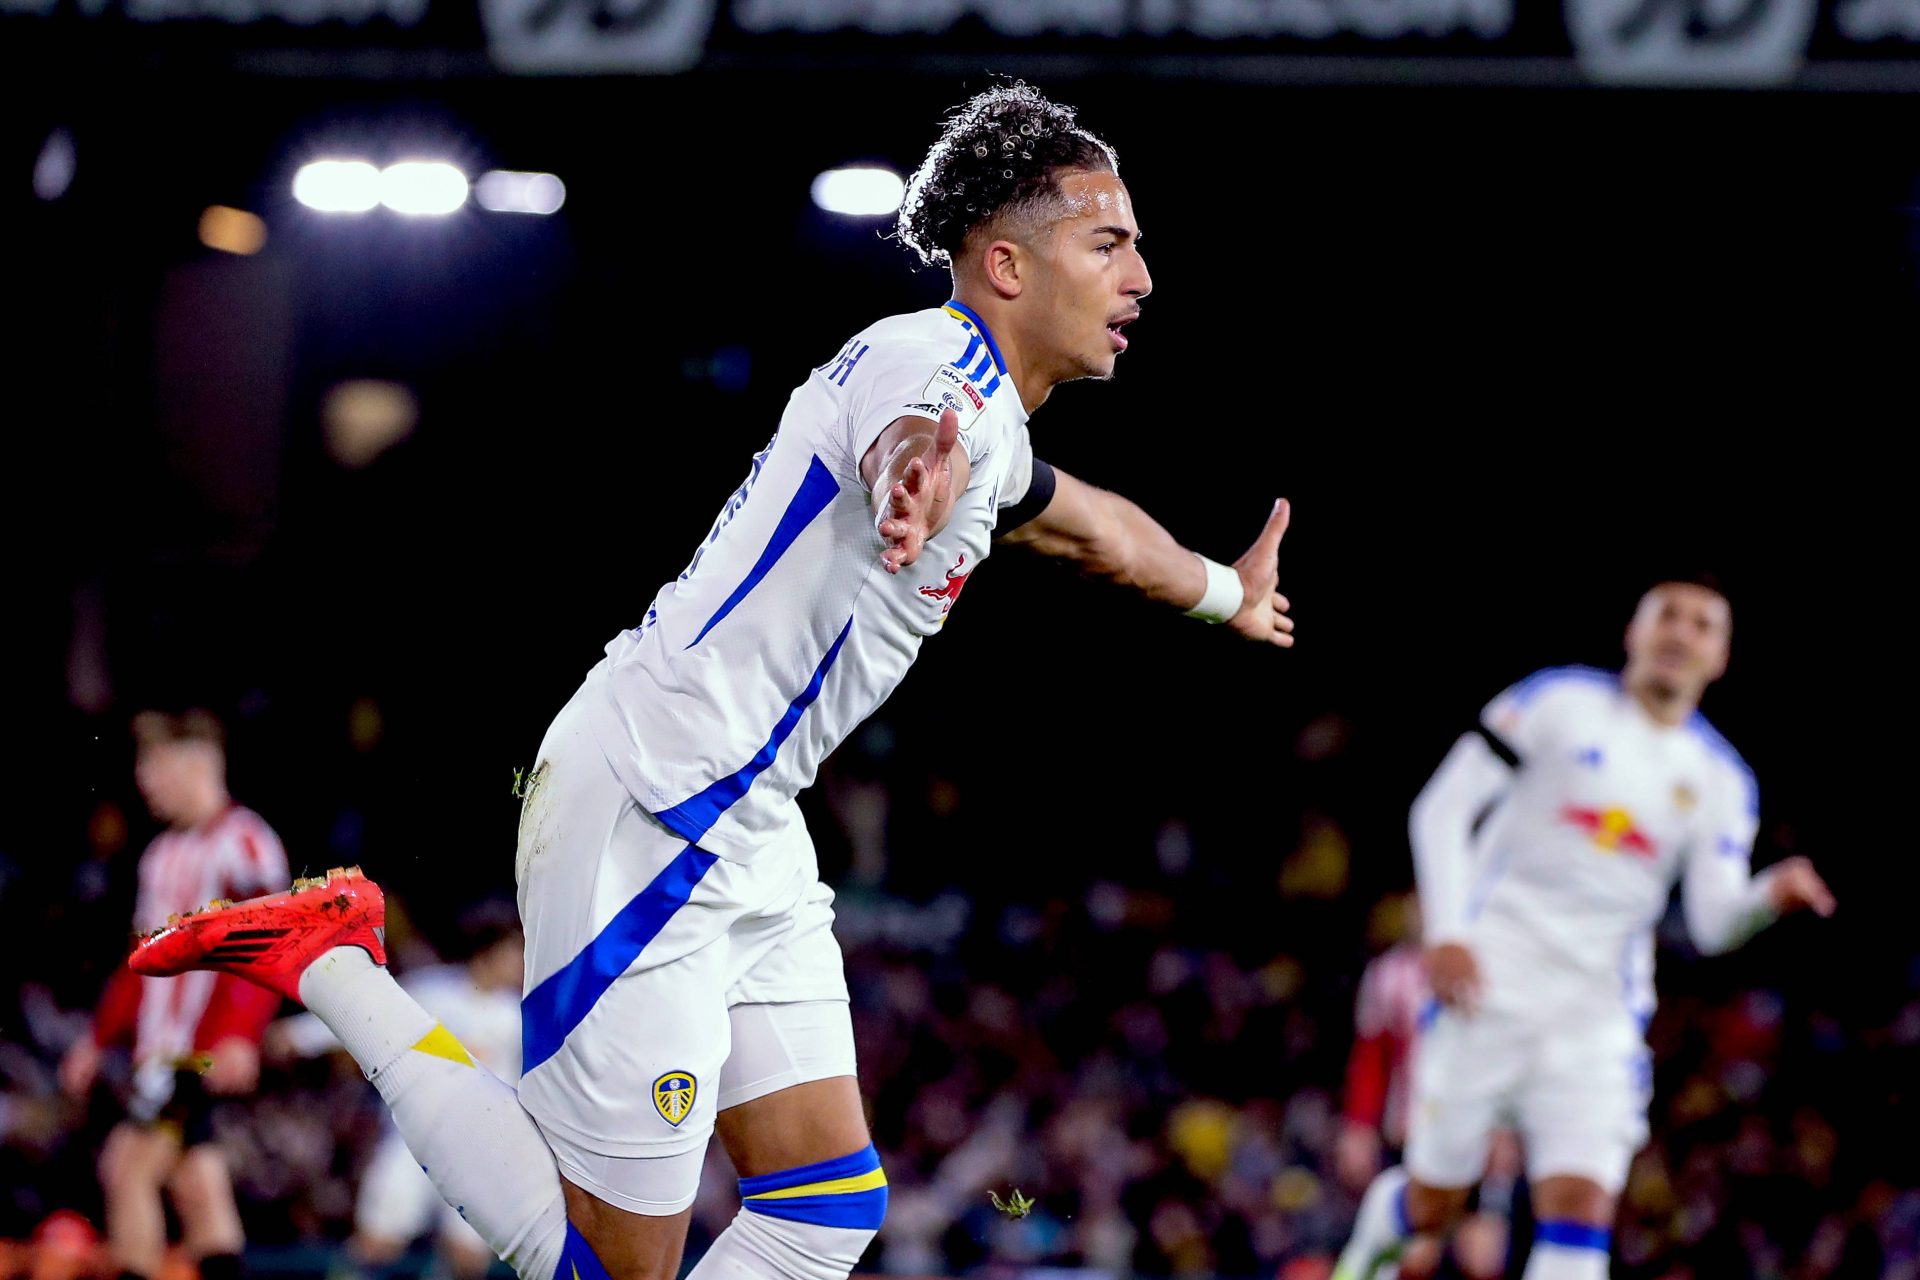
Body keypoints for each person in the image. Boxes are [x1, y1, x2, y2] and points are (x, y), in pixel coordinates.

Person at [129, 81, 1297, 1280]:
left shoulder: (991, 427)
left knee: (824, 1205)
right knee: (605, 1271)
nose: (1140, 276)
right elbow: (912, 430)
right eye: (1108, 245)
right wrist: (913, 478)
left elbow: (1095, 528)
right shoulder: (928, 367)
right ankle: (331, 958)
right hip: (656, 803)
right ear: (1006, 264)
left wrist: (1224, 589)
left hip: (748, 817)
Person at [1331, 577, 1836, 1280]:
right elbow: (1441, 808)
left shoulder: (1721, 780)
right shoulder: (1555, 703)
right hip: (1487, 989)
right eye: (1667, 616)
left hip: (1598, 1019)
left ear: (1721, 656)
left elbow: (1712, 923)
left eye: (1702, 625)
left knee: (1581, 1209)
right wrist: (1446, 934)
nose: (1681, 633)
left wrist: (1766, 898)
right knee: (1432, 1208)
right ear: (1634, 632)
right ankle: (1368, 1252)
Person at [59, 710, 289, 1280]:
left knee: (127, 1168)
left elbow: (264, 944)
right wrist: (98, 1039)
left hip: (198, 1051)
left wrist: (238, 1035)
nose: (145, 783)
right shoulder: (160, 855)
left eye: (154, 768)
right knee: (196, 1186)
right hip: (159, 1052)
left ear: (196, 764)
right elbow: (142, 961)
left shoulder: (246, 843)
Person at [270, 908, 525, 1280]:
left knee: (467, 1258)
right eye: (513, 953)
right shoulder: (434, 991)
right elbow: (364, 1014)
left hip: (478, 1148)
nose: (520, 964)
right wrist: (300, 1036)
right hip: (414, 1142)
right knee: (378, 1243)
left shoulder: (521, 1015)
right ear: (488, 952)